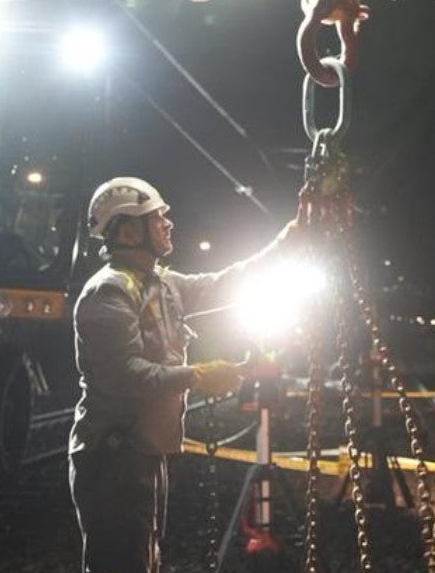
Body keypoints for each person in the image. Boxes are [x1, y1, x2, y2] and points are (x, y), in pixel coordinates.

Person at [68, 177, 297, 573]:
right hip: (112, 459)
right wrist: (197, 376)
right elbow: (127, 376)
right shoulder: (107, 293)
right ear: (128, 231)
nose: (168, 224)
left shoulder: (162, 285)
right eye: (158, 218)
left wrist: (292, 239)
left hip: (143, 451)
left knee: (145, 560)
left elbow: (227, 284)